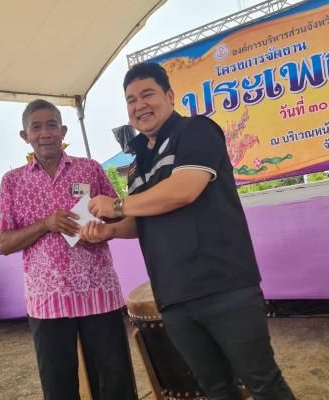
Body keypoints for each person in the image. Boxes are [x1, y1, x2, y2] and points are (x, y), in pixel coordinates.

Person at [80, 63, 296, 400]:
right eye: (131, 100)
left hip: (224, 286)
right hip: (173, 297)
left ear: (170, 96)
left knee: (262, 383)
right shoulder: (137, 162)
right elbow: (142, 218)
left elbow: (184, 189)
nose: (140, 105)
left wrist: (118, 205)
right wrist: (110, 231)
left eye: (148, 94)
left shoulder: (196, 130)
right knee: (215, 389)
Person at [0, 99, 137, 400]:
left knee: (115, 380)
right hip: (47, 300)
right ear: (25, 136)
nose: (45, 133)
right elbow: (4, 243)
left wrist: (100, 230)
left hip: (98, 292)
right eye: (36, 127)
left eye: (51, 125)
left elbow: (118, 217)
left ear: (63, 130)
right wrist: (45, 224)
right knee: (58, 385)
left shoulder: (90, 169)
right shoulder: (12, 182)